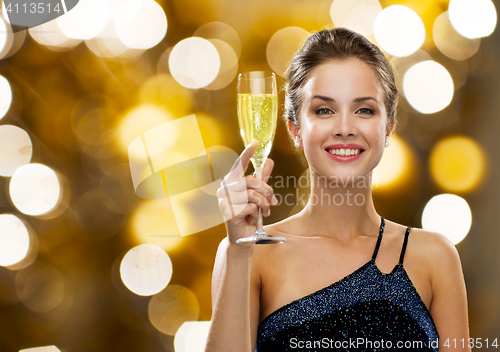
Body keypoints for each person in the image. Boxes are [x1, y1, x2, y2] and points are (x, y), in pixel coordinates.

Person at [205, 27, 470, 352]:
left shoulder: (435, 258)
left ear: (387, 128)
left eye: (364, 110)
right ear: (296, 130)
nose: (345, 128)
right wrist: (239, 250)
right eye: (324, 110)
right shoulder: (250, 254)